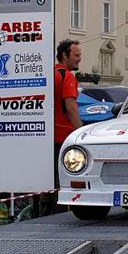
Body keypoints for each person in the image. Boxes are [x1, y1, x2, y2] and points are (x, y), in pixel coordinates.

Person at [39, 39, 82, 217]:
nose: (79, 59)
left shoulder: (49, 74)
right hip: (64, 138)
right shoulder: (67, 76)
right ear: (65, 55)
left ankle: (42, 217)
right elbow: (71, 107)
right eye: (76, 55)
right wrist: (82, 134)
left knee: (46, 185)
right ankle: (58, 220)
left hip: (46, 138)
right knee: (62, 184)